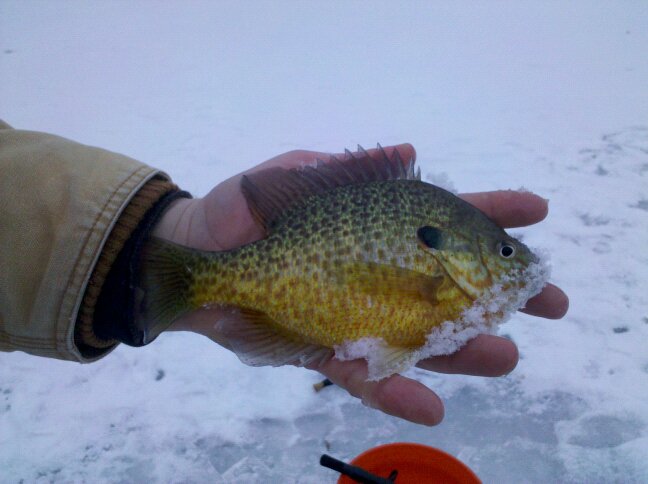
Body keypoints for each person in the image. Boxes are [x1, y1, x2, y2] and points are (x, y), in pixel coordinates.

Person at [0, 120, 568, 426]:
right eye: (503, 255)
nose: (511, 265)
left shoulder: (446, 278)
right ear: (460, 254)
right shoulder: (438, 274)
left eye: (507, 254)